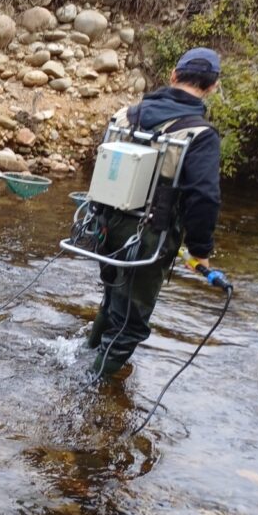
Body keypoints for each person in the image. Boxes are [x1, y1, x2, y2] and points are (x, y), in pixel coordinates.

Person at [86, 47, 223, 377]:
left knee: (112, 297)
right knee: (131, 324)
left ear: (174, 76)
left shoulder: (125, 115)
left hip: (104, 225)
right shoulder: (200, 135)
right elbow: (203, 198)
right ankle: (91, 386)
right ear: (212, 86)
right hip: (148, 236)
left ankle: (85, 356)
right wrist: (200, 251)